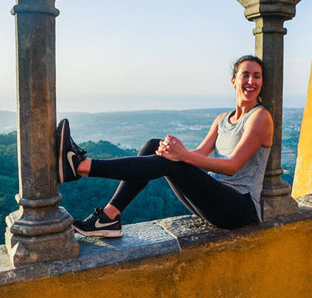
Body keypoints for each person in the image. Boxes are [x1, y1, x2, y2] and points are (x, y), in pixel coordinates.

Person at [57, 55, 273, 238]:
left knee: (174, 164)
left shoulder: (260, 117)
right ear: (234, 80)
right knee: (154, 145)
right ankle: (108, 217)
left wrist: (182, 157)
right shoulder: (223, 119)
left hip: (237, 208)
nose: (251, 81)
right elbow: (200, 153)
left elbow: (232, 166)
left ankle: (82, 166)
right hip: (213, 200)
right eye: (245, 75)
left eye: (257, 76)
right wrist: (176, 152)